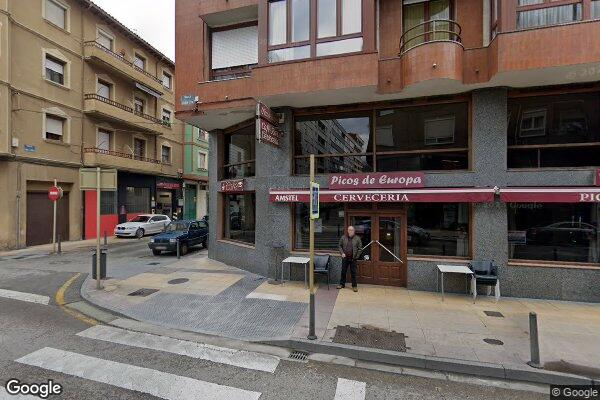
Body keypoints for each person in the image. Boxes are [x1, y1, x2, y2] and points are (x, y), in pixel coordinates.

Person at [337, 226, 362, 292]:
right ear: (347, 231)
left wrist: (356, 257)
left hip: (353, 259)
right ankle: (342, 284)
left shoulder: (357, 238)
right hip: (345, 258)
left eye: (352, 230)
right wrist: (342, 253)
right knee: (343, 271)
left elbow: (360, 249)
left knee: (353, 272)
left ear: (354, 231)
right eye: (349, 230)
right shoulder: (343, 237)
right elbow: (339, 246)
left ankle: (354, 286)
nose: (351, 231)